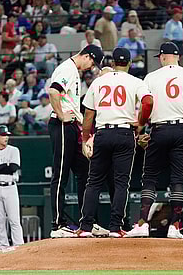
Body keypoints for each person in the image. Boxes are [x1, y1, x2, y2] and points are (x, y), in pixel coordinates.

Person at [127, 42, 183, 238]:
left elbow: (144, 105)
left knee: (150, 176)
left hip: (159, 128)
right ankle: (175, 226)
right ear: (178, 57)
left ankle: (142, 223)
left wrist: (139, 129)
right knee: (178, 179)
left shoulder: (151, 77)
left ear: (162, 57)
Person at [76, 47, 153, 238]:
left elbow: (88, 114)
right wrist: (141, 123)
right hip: (124, 133)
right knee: (121, 183)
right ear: (129, 63)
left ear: (112, 63)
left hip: (102, 132)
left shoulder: (99, 81)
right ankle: (115, 227)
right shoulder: (135, 81)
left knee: (93, 182)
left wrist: (86, 138)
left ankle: (86, 227)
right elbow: (149, 102)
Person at [48, 44, 104, 238]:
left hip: (73, 126)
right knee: (61, 174)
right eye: (92, 62)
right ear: (87, 56)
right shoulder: (67, 69)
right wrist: (61, 114)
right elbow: (53, 91)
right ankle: (57, 225)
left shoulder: (73, 70)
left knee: (85, 172)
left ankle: (88, 222)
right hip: (63, 125)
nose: (91, 67)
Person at [0, 125, 24, 250]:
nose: (5, 137)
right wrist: (4, 166)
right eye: (2, 135)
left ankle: (19, 245)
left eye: (7, 135)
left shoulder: (14, 150)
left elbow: (13, 167)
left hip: (10, 187)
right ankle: (3, 246)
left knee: (14, 219)